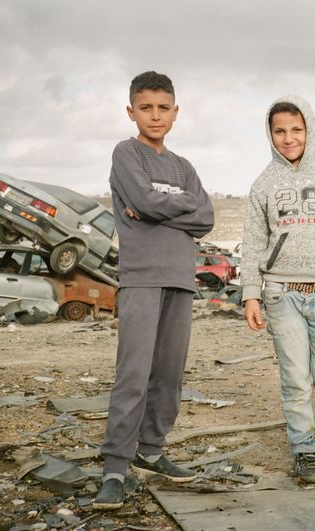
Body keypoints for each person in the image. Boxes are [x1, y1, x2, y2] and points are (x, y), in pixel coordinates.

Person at [93, 71, 215, 510]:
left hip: (180, 278)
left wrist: (154, 210)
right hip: (141, 277)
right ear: (132, 111)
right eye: (146, 108)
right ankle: (114, 466)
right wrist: (169, 207)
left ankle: (151, 451)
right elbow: (144, 201)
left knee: (169, 373)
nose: (155, 116)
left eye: (164, 108)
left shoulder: (184, 167)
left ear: (175, 112)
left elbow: (206, 218)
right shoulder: (126, 153)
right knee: (134, 373)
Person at [240, 95, 315, 485]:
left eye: (296, 129)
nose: (289, 138)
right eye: (280, 131)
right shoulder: (263, 184)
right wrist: (250, 293)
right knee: (295, 378)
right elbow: (253, 241)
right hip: (281, 294)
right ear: (270, 134)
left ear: (310, 129)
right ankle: (304, 450)